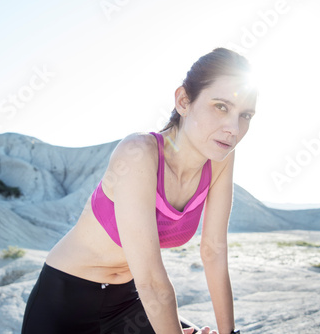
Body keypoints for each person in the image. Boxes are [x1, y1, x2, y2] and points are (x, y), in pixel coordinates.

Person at [21, 47, 257, 334]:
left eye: (245, 115)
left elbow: (213, 251)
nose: (233, 128)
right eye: (221, 106)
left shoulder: (220, 159)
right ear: (184, 101)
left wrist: (229, 333)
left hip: (129, 305)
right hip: (64, 305)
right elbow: (152, 280)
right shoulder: (139, 153)